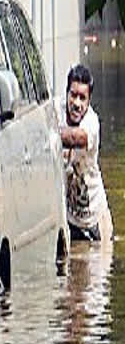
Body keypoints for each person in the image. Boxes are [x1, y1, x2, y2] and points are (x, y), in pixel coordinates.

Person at [55, 64, 113, 242]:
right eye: (73, 95)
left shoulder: (91, 122)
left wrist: (47, 134)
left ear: (89, 101)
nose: (77, 104)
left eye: (82, 98)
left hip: (95, 221)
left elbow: (76, 138)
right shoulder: (55, 111)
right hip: (69, 221)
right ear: (66, 93)